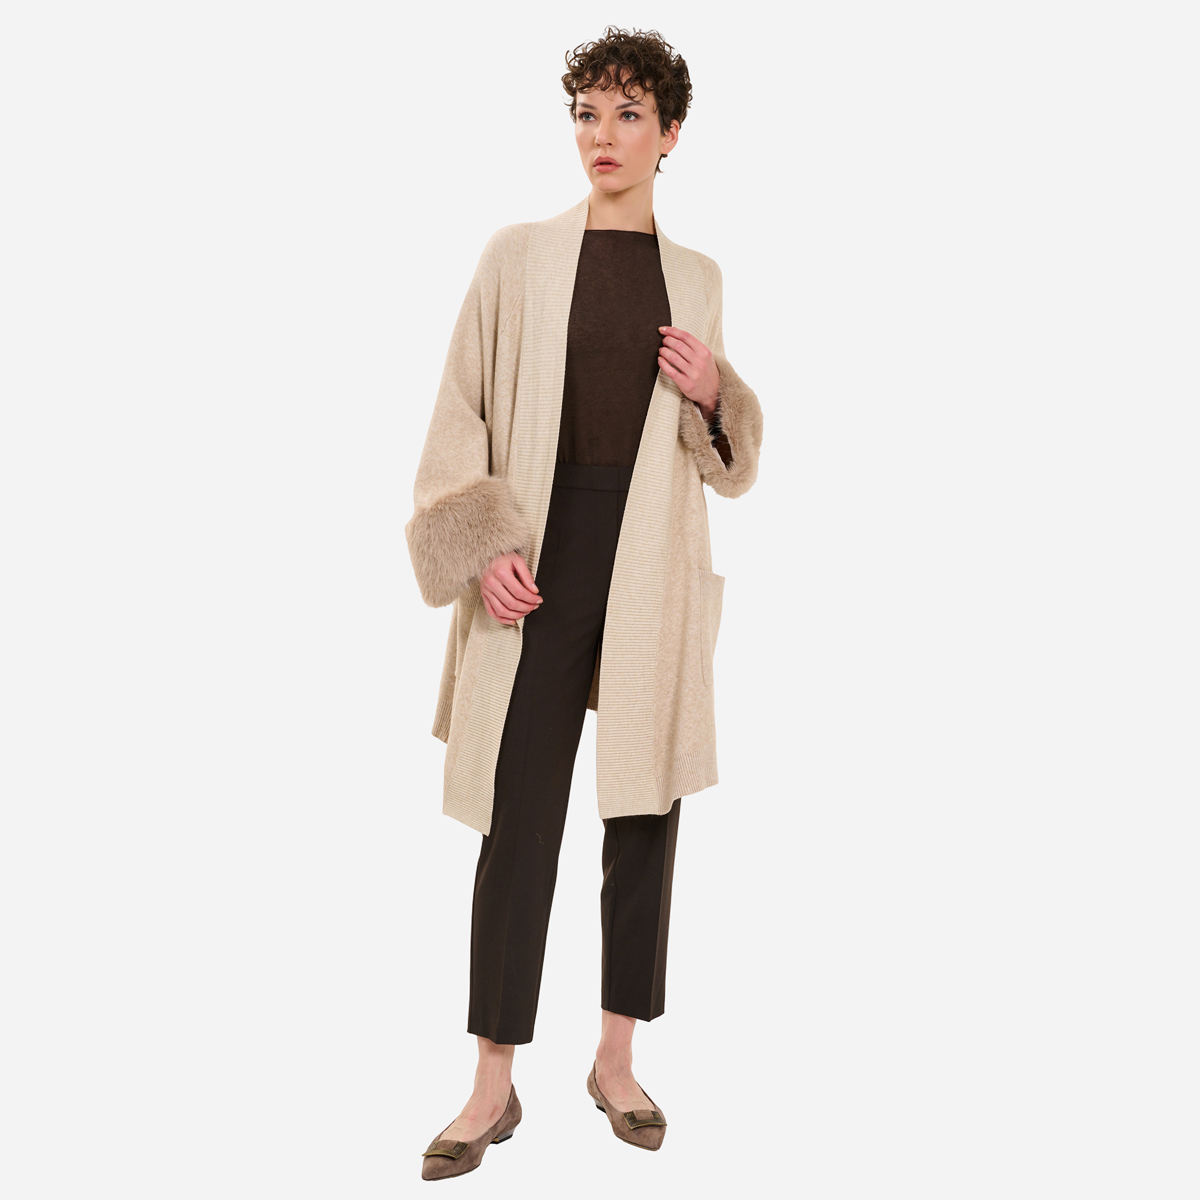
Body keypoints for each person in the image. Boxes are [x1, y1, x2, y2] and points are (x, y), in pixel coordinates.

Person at [405, 25, 764, 1181]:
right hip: (542, 552)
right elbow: (460, 410)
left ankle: (615, 1060)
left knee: (644, 809)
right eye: (586, 114)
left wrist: (714, 394)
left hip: (650, 552)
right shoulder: (516, 256)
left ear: (671, 134)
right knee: (519, 814)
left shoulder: (699, 278)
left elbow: (724, 462)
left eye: (627, 115)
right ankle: (491, 1082)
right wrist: (483, 545)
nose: (602, 136)